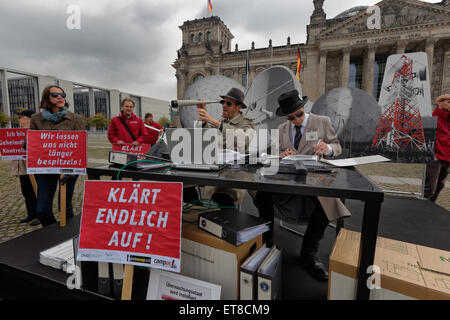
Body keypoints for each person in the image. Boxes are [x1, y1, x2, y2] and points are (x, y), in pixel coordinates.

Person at [253, 89, 350, 281]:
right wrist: (283, 155)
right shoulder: (281, 129)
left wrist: (327, 148)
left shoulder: (323, 122)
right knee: (261, 193)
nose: (296, 120)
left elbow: (337, 146)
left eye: (299, 115)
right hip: (288, 178)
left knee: (327, 203)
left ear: (303, 108)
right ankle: (268, 243)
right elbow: (278, 152)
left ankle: (309, 254)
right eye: (291, 118)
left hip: (316, 178)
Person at [29, 85, 85, 227]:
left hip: (68, 170)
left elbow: (80, 147)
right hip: (45, 169)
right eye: (55, 94)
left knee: (65, 208)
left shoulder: (75, 119)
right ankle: (52, 233)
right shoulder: (36, 119)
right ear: (46, 97)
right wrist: (29, 143)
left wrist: (72, 172)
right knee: (42, 210)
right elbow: (29, 143)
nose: (60, 97)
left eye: (62, 94)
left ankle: (68, 237)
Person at [196, 88, 255, 207]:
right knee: (188, 189)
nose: (224, 106)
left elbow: (244, 140)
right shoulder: (221, 121)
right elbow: (206, 139)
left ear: (239, 107)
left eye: (229, 103)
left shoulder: (247, 123)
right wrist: (203, 120)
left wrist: (215, 122)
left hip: (236, 173)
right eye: (223, 102)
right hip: (217, 170)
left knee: (223, 196)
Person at [12, 110, 38, 226]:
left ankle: (39, 214)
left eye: (20, 117)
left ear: (28, 119)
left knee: (36, 190)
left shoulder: (35, 131)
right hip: (22, 167)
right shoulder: (17, 133)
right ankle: (31, 213)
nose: (18, 119)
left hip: (34, 166)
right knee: (26, 192)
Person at [424, 94, 450, 202]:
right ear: (439, 103)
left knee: (440, 185)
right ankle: (423, 206)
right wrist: (432, 154)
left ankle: (431, 206)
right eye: (448, 102)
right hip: (436, 157)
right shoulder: (434, 117)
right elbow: (427, 137)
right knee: (430, 186)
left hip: (447, 157)